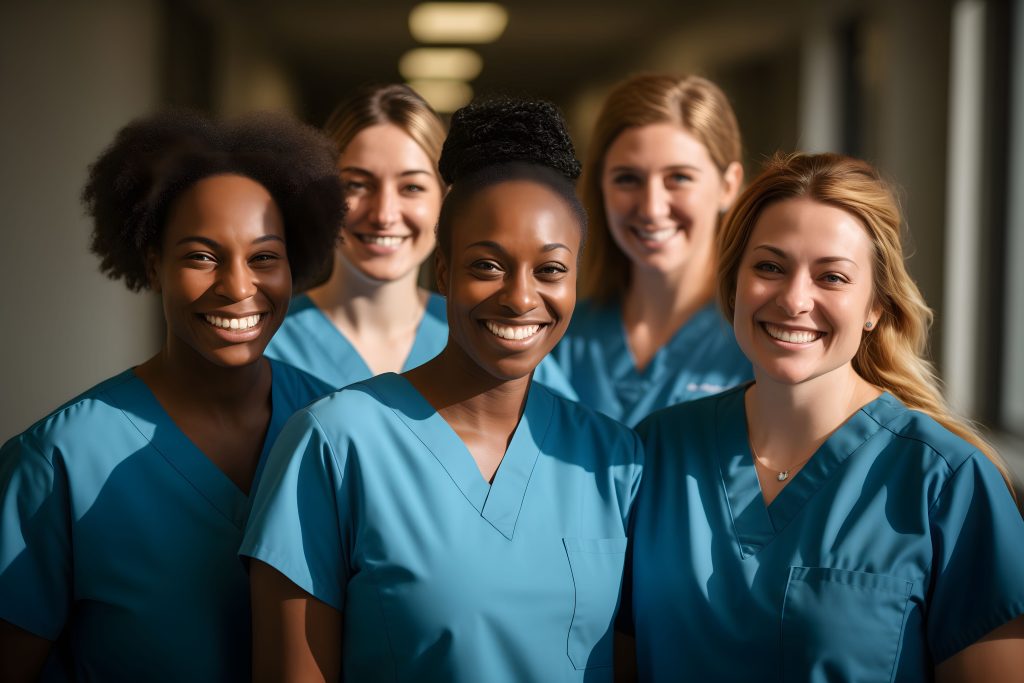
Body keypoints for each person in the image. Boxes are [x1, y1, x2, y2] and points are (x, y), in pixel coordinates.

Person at [242, 98, 643, 683]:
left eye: (551, 270)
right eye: (487, 265)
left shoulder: (614, 460)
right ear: (445, 273)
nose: (521, 298)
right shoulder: (334, 444)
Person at [630, 152, 1024, 681]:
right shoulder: (657, 450)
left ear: (874, 307)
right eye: (769, 267)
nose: (794, 299)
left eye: (832, 277)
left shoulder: (947, 481)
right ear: (734, 283)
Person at [0, 110, 346, 682]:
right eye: (201, 256)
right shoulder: (59, 460)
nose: (238, 288)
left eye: (264, 257)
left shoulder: (340, 430)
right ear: (153, 264)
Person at [535, 74, 751, 426]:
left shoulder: (758, 338)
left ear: (728, 186)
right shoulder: (561, 337)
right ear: (600, 186)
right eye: (627, 179)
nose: (651, 207)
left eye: (679, 178)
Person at [265, 83, 448, 388]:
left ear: (444, 200)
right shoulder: (267, 342)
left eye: (411, 187)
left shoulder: (475, 337)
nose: (384, 214)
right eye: (357, 185)